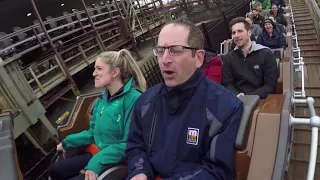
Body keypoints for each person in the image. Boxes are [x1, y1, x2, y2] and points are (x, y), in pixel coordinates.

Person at [126, 19, 244, 180]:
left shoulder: (225, 107)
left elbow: (217, 170)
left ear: (199, 58)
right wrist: (139, 172)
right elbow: (136, 146)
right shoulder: (145, 102)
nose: (165, 59)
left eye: (175, 50)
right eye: (160, 50)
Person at [48, 49, 146, 180]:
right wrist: (67, 142)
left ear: (115, 73)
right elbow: (93, 133)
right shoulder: (102, 99)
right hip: (100, 154)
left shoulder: (134, 100)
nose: (94, 74)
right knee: (55, 170)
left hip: (117, 160)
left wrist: (95, 163)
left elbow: (129, 144)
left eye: (99, 69)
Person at [222, 17, 278, 99]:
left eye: (240, 31)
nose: (236, 35)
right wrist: (237, 95)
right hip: (236, 99)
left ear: (249, 32)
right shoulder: (229, 58)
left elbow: (269, 86)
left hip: (261, 100)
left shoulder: (266, 54)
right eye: (233, 33)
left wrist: (247, 97)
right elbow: (228, 83)